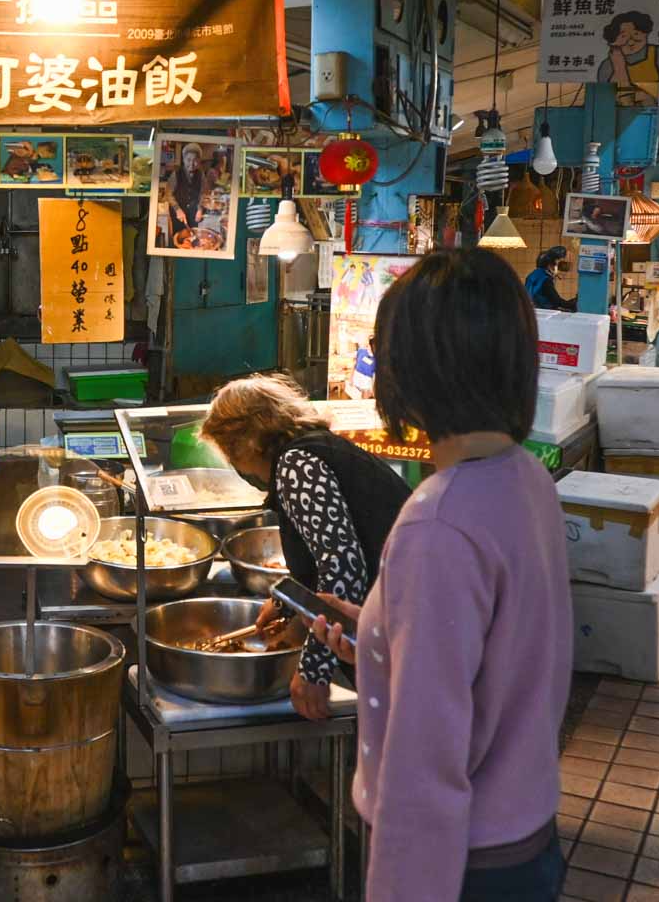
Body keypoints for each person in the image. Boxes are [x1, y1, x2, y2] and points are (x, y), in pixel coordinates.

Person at [310, 249, 571, 901]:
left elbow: (423, 774)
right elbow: (499, 661)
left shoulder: (438, 523)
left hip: (460, 866)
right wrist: (376, 636)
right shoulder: (525, 477)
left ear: (415, 369)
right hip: (527, 839)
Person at [200, 374, 410, 720]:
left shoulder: (297, 465)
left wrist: (314, 672)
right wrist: (286, 603)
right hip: (397, 627)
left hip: (400, 635)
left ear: (245, 442)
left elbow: (343, 570)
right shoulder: (315, 450)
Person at [595, 11, 659, 87]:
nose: (631, 42)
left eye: (636, 34)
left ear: (646, 33)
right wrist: (619, 66)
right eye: (623, 36)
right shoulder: (607, 65)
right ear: (614, 39)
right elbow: (609, 91)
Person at [166, 142, 206, 239]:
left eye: (195, 160)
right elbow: (168, 194)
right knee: (179, 236)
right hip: (178, 212)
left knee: (193, 237)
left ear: (199, 161)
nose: (191, 164)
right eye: (188, 160)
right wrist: (177, 209)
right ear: (183, 160)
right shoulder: (176, 174)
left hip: (193, 212)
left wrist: (200, 209)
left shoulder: (201, 175)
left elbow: (203, 193)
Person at [524, 246, 575, 311]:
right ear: (551, 264)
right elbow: (557, 302)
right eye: (562, 265)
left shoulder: (535, 274)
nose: (564, 271)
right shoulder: (545, 279)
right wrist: (576, 302)